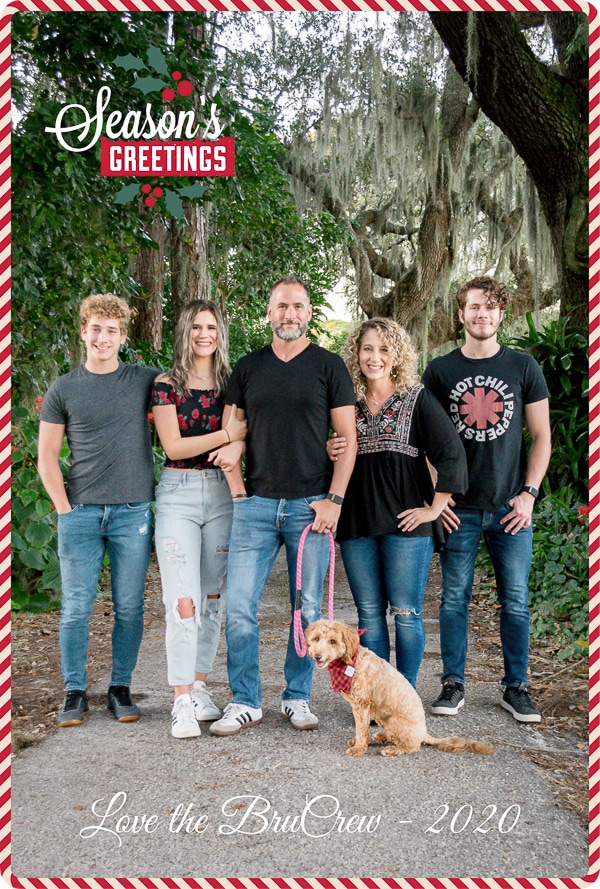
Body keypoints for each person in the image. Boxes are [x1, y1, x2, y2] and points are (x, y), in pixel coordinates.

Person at [207, 275, 357, 737]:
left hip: (310, 507)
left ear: (309, 313)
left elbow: (348, 438)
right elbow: (231, 436)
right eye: (281, 307)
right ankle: (246, 700)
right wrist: (237, 494)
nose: (289, 314)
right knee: (238, 607)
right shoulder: (248, 369)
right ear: (269, 313)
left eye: (298, 306)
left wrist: (333, 500)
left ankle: (297, 696)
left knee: (307, 608)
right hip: (255, 505)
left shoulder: (329, 366)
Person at [422, 276, 551, 723]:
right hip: (459, 508)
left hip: (510, 509)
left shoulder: (523, 366)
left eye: (491, 307)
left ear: (501, 315)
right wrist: (440, 498)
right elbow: (425, 443)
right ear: (461, 314)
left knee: (515, 599)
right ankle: (452, 684)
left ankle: (515, 688)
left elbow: (541, 437)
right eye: (475, 306)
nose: (482, 314)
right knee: (453, 598)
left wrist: (529, 495)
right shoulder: (439, 371)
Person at [38, 294, 157, 727]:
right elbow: (47, 456)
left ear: (123, 337)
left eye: (112, 330)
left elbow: (194, 393)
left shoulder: (144, 380)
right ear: (83, 331)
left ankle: (120, 688)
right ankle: (74, 692)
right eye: (96, 328)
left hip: (131, 512)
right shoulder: (64, 388)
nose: (102, 337)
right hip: (81, 513)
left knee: (129, 605)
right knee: (76, 606)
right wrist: (64, 509)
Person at [329, 318, 468, 688]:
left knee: (405, 612)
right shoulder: (347, 402)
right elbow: (333, 450)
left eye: (384, 349)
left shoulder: (416, 397)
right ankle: (376, 693)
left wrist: (435, 509)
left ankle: (403, 693)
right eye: (368, 349)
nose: (375, 357)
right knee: (369, 615)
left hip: (408, 523)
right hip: (358, 520)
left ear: (397, 355)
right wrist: (329, 448)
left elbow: (452, 453)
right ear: (356, 353)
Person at [151, 300, 247, 739]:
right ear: (184, 332)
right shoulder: (166, 384)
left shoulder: (233, 385)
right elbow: (174, 446)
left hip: (222, 494)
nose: (203, 334)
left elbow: (246, 437)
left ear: (219, 332)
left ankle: (202, 687)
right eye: (196, 327)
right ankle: (180, 701)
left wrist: (234, 442)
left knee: (212, 600)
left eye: (210, 327)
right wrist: (228, 434)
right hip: (178, 496)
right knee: (183, 602)